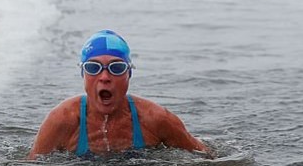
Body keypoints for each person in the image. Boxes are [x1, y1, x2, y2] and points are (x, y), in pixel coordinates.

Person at [28, 29, 207, 159]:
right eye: (93, 68)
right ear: (83, 74)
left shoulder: (157, 119)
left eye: (117, 68)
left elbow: (205, 159)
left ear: (129, 74)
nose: (105, 77)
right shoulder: (62, 120)